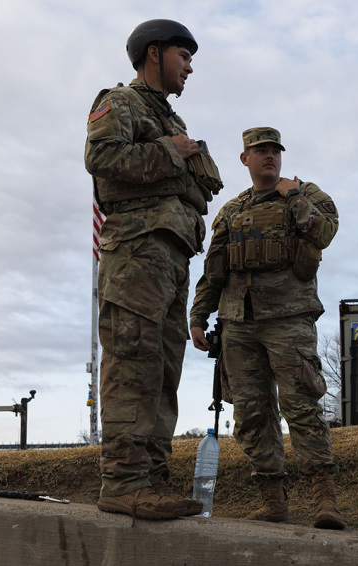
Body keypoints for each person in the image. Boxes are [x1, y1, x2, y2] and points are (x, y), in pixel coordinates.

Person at [85, 19, 223, 520]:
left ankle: (152, 478)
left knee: (163, 369)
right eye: (183, 56)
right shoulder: (120, 102)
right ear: (153, 53)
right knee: (133, 364)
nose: (189, 67)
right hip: (137, 254)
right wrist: (172, 152)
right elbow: (100, 156)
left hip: (172, 257)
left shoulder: (172, 120)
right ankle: (123, 482)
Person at [190, 127, 344, 530]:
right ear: (245, 159)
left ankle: (324, 499)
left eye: (274, 150)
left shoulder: (307, 194)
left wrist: (293, 197)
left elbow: (324, 232)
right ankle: (273, 499)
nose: (269, 157)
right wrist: (197, 315)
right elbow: (214, 269)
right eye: (260, 151)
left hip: (289, 319)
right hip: (238, 323)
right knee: (251, 414)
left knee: (302, 408)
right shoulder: (231, 210)